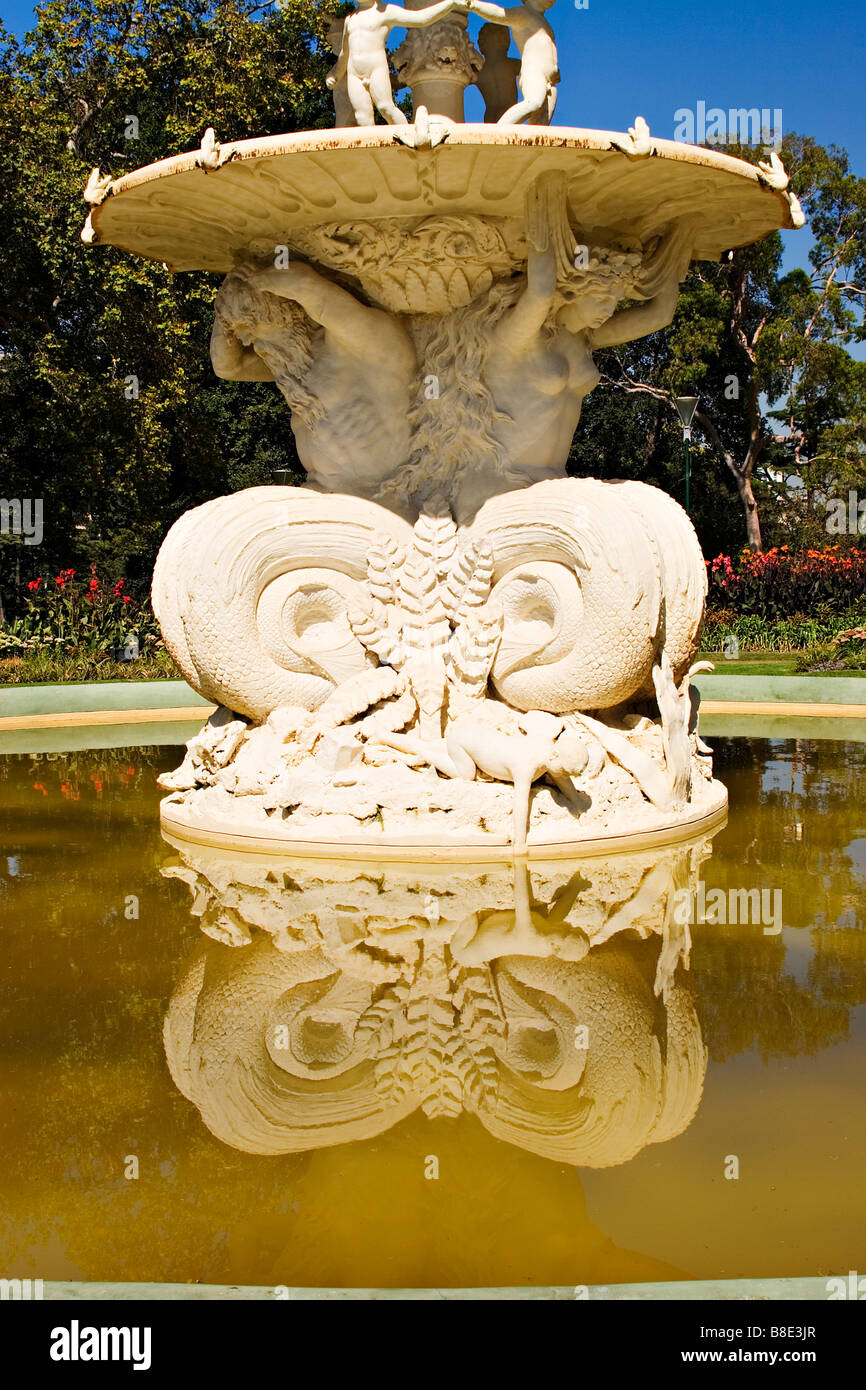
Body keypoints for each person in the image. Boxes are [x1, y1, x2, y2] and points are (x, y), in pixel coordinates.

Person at [210, 261, 417, 499]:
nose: (245, 340)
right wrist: (224, 304)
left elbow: (317, 297)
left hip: (382, 498)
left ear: (287, 312)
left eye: (250, 324)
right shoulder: (294, 369)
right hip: (324, 495)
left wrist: (282, 280)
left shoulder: (364, 347)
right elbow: (227, 366)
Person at [327, 0, 468, 127]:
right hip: (354, 73)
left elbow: (421, 18)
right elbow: (345, 53)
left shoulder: (385, 12)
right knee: (362, 116)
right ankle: (375, 153)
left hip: (375, 69)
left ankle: (407, 140)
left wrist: (451, 4)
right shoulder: (350, 20)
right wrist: (336, 74)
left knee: (386, 108)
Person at [467, 0, 558, 125]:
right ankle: (497, 134)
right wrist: (472, 5)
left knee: (540, 124)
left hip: (550, 81)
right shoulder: (524, 14)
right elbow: (498, 13)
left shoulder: (540, 19)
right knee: (534, 102)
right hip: (535, 73)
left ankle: (526, 143)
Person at [475, 22, 521, 122]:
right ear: (505, 41)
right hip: (510, 115)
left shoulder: (478, 72)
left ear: (482, 44)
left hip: (489, 116)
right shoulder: (513, 65)